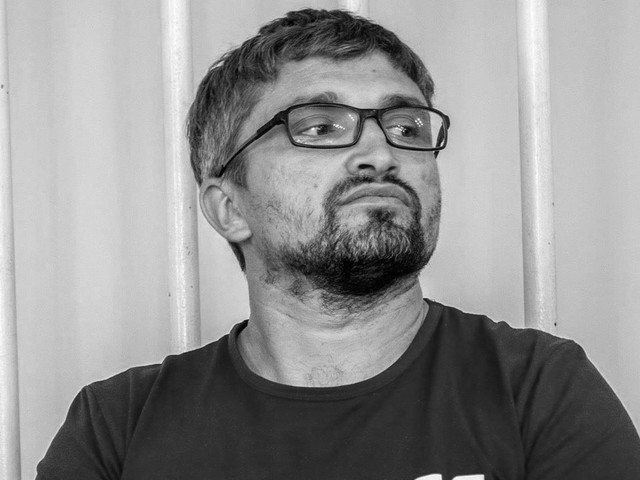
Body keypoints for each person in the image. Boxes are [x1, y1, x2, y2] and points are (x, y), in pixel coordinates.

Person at [37, 8, 640, 480]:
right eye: (320, 127)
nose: (381, 153)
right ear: (230, 208)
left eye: (406, 127)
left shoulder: (538, 389)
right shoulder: (117, 427)